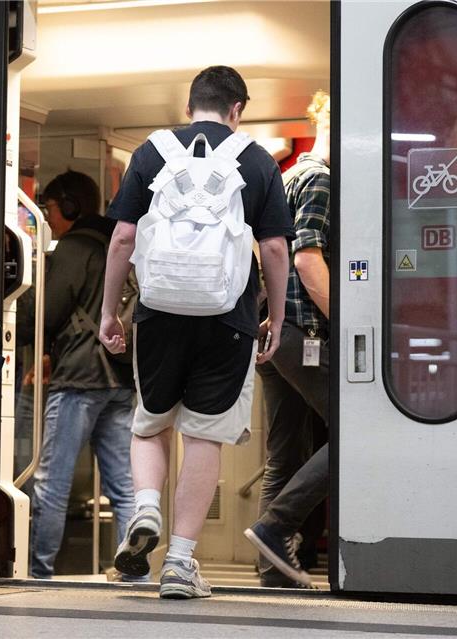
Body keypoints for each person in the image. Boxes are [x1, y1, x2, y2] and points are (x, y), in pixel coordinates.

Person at [99, 66, 292, 599]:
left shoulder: (151, 151)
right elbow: (275, 249)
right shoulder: (256, 159)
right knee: (204, 434)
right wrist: (273, 316)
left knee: (149, 423)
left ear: (189, 108)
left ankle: (146, 508)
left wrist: (109, 312)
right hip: (227, 317)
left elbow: (121, 238)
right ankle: (181, 563)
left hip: (158, 312)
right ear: (238, 110)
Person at [21, 170, 138, 579]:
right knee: (125, 488)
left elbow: (48, 314)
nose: (49, 218)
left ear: (70, 206)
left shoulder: (74, 246)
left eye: (50, 208)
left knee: (53, 481)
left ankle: (38, 571)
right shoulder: (117, 242)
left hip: (80, 380)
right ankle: (134, 571)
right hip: (121, 378)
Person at [244, 91, 332, 588]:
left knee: (284, 453)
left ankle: (271, 569)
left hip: (272, 335)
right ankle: (277, 528)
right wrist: (351, 318)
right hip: (306, 332)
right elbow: (306, 259)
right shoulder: (320, 178)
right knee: (356, 433)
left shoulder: (287, 176)